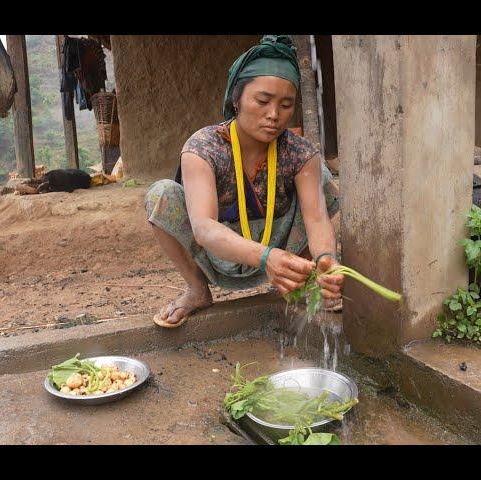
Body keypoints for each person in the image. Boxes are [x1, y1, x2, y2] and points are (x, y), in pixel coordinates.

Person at [144, 35, 344, 328]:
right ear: (235, 99)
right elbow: (203, 227)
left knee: (321, 178)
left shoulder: (300, 152)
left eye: (286, 105)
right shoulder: (203, 147)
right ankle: (197, 290)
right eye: (262, 101)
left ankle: (300, 282)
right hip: (219, 255)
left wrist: (327, 258)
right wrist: (265, 257)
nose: (274, 115)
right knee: (160, 194)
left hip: (281, 248)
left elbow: (316, 220)